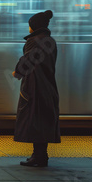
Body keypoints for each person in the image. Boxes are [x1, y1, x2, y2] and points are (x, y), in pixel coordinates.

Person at [12, 10, 60, 167]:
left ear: (34, 25)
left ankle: (38, 156)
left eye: (30, 25)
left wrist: (17, 72)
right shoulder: (49, 40)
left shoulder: (34, 40)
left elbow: (28, 61)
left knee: (34, 120)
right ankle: (41, 155)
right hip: (47, 84)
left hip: (34, 86)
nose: (28, 28)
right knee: (42, 120)